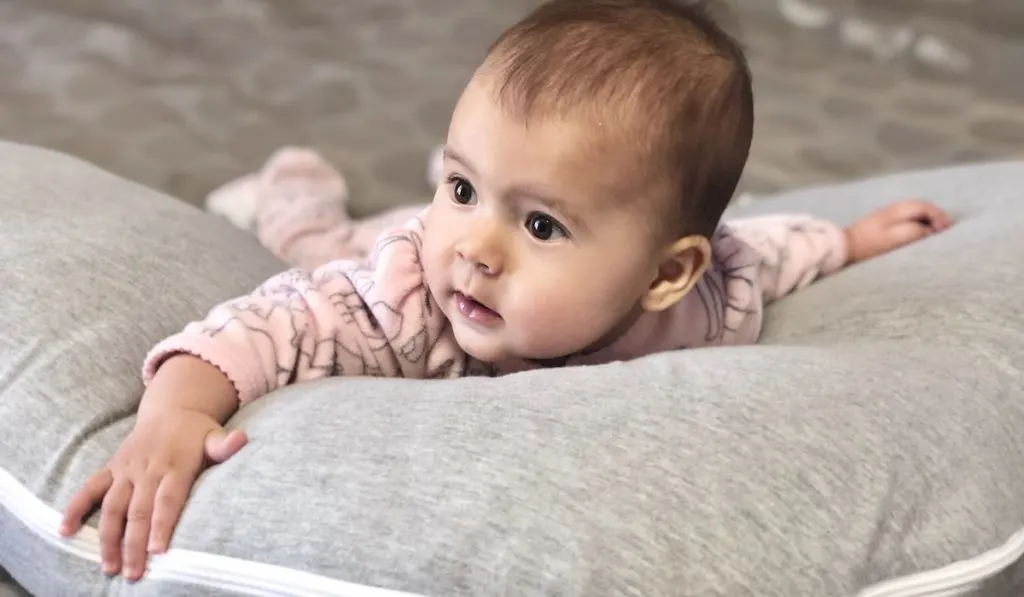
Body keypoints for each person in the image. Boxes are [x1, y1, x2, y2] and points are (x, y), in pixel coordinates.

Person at [59, 0, 953, 581]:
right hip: (377, 250)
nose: (479, 250)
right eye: (464, 186)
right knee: (318, 248)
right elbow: (270, 323)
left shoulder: (711, 299)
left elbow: (771, 246)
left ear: (666, 272)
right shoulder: (413, 294)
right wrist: (175, 409)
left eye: (540, 225)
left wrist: (851, 238)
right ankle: (291, 187)